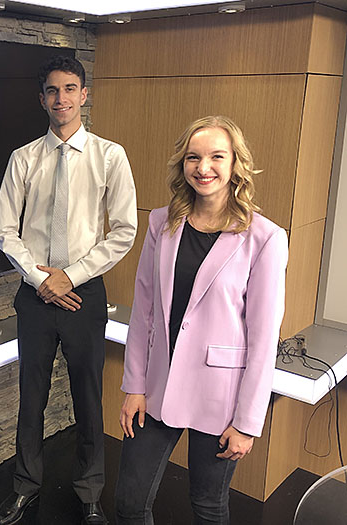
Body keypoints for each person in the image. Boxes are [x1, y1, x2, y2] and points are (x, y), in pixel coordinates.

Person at [116, 116, 288, 524]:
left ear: (234, 166)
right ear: (182, 164)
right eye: (193, 157)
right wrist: (134, 385)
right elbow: (144, 311)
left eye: (216, 156)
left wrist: (247, 422)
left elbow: (263, 339)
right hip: (156, 384)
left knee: (208, 507)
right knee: (128, 503)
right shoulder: (161, 223)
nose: (203, 167)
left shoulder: (264, 237)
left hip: (221, 398)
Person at [0, 55, 137, 525]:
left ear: (84, 94)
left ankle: (90, 491)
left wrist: (67, 277)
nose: (62, 99)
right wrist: (42, 280)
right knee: (29, 398)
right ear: (42, 99)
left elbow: (123, 231)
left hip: (83, 294)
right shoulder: (23, 159)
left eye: (70, 89)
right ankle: (25, 486)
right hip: (35, 296)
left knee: (87, 397)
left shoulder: (110, 156)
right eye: (53, 91)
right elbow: (4, 232)